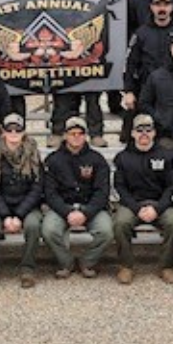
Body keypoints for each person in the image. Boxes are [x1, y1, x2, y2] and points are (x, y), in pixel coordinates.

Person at [112, 114, 173, 285]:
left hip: (160, 204)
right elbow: (119, 188)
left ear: (154, 133)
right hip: (133, 205)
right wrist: (137, 209)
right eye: (139, 130)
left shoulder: (168, 155)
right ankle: (126, 266)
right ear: (132, 133)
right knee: (120, 223)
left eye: (148, 129)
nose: (144, 133)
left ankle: (166, 266)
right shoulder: (122, 157)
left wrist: (157, 209)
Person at [41, 116, 114, 279]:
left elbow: (102, 192)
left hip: (90, 207)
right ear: (65, 135)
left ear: (85, 136)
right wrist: (67, 212)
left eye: (80, 133)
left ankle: (87, 262)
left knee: (106, 231)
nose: (76, 137)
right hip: (62, 208)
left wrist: (86, 213)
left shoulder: (97, 159)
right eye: (72, 133)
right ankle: (66, 263)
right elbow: (50, 193)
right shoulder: (53, 160)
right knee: (49, 230)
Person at [47, 0, 108, 147]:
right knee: (62, 98)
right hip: (62, 56)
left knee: (93, 98)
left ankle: (96, 133)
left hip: (90, 55)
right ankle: (58, 132)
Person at [0, 113, 43, 289]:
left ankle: (27, 268)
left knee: (33, 225)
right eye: (10, 129)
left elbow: (37, 188)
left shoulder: (33, 154)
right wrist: (6, 216)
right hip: (1, 206)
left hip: (27, 205)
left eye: (18, 129)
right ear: (4, 132)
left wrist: (19, 215)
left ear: (24, 132)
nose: (14, 133)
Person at [122, 0, 173, 144]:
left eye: (166, 5)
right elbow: (130, 63)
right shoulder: (141, 33)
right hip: (146, 89)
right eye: (158, 5)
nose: (162, 9)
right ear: (151, 7)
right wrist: (128, 91)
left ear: (172, 7)